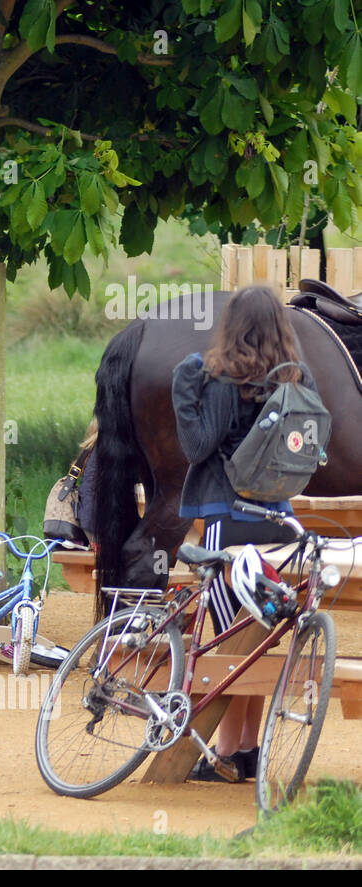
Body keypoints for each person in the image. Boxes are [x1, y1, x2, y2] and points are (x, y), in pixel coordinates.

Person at [171, 284, 316, 782]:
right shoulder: (294, 383)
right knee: (257, 640)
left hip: (226, 520)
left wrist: (184, 391)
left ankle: (230, 751)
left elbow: (196, 447)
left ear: (233, 326)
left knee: (231, 643)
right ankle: (247, 749)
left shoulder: (219, 381)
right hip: (278, 522)